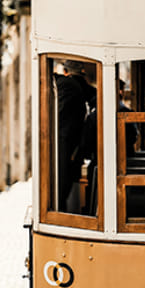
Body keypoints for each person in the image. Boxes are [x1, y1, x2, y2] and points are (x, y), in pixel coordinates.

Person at [54, 61, 96, 211]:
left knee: (62, 187)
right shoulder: (71, 85)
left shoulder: (67, 84)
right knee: (63, 186)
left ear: (65, 71)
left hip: (65, 145)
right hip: (66, 145)